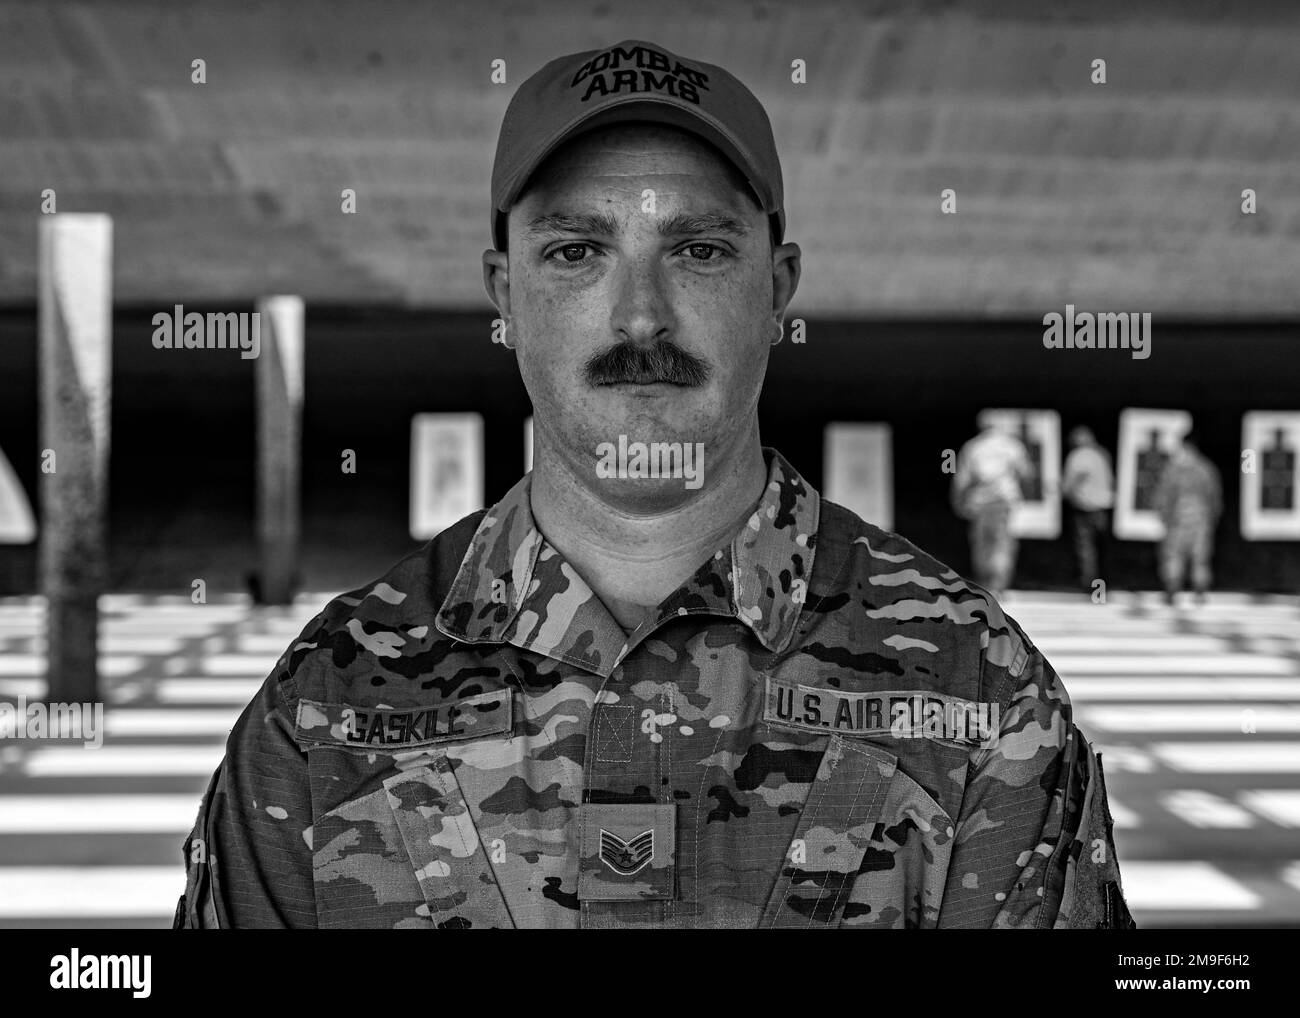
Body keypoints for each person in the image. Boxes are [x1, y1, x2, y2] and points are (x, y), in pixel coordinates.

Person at [174, 39, 1132, 929]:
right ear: (505, 293)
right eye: (577, 251)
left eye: (700, 250)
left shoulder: (977, 691)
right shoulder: (330, 701)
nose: (641, 316)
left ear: (779, 287)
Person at [950, 423, 1032, 598]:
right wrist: (1023, 495)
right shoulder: (1012, 445)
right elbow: (1026, 473)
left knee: (982, 544)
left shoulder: (973, 447)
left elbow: (962, 480)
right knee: (1002, 543)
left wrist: (958, 502)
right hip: (1003, 502)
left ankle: (985, 584)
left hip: (979, 503)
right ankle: (998, 585)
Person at [1153, 430, 1222, 605]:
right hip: (1201, 518)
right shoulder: (1205, 468)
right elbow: (1214, 497)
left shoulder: (1173, 469)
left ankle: (1172, 590)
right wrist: (1212, 518)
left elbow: (1163, 495)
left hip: (1178, 518)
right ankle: (1199, 591)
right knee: (1200, 558)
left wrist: (1163, 516)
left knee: (1174, 555)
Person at [1061, 426, 1115, 593]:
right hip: (1104, 506)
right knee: (1102, 548)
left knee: (1086, 548)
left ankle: (1091, 586)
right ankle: (1104, 584)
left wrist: (1062, 493)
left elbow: (1072, 480)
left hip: (1085, 507)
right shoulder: (1102, 454)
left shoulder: (1079, 456)